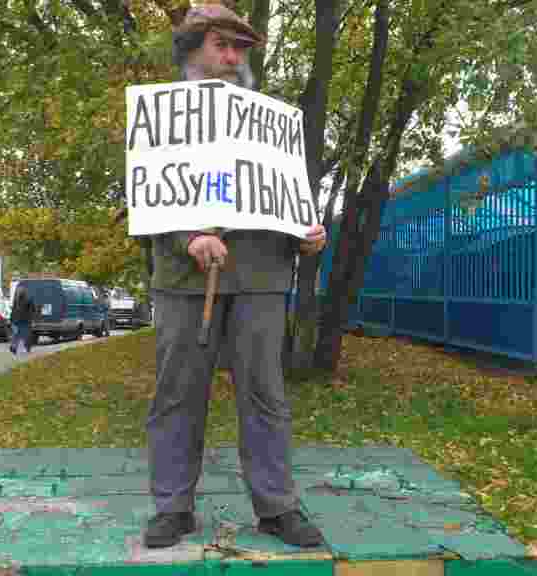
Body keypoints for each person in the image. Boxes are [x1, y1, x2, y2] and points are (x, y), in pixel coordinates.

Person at [143, 2, 329, 550]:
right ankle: (172, 507)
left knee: (266, 393)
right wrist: (187, 237)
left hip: (263, 274)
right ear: (192, 49)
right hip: (183, 280)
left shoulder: (271, 124)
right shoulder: (162, 118)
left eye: (241, 49)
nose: (232, 57)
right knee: (177, 393)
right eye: (222, 45)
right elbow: (149, 191)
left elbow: (288, 194)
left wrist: (307, 232)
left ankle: (276, 508)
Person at [9, 285, 35, 356]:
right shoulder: (29, 299)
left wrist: (11, 319)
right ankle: (25, 348)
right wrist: (32, 319)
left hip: (17, 320)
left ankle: (14, 346)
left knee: (17, 334)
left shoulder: (16, 300)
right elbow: (32, 310)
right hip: (25, 320)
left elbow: (13, 310)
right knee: (25, 335)